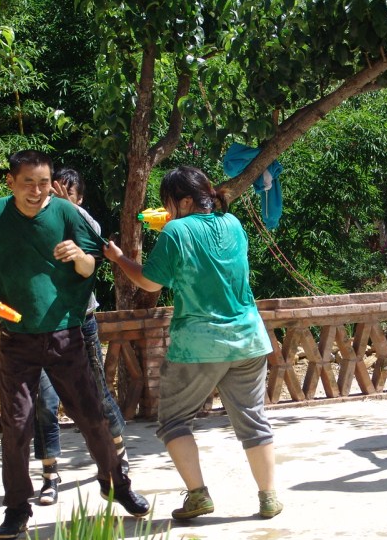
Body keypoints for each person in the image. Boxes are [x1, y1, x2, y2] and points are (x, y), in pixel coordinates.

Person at [0, 150, 150, 540]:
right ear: (11, 182)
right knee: (17, 425)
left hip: (67, 333)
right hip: (17, 337)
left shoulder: (67, 213)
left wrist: (79, 256)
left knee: (92, 417)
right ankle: (17, 509)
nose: (36, 191)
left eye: (43, 183)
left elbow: (90, 267)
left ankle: (117, 485)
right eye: (28, 183)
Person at [103, 165, 282, 520]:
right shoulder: (233, 223)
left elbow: (150, 282)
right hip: (248, 338)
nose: (167, 211)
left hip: (199, 345)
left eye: (169, 203)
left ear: (184, 201)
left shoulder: (175, 231)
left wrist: (119, 257)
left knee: (174, 421)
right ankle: (268, 498)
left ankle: (198, 496)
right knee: (253, 421)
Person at [33, 167, 129, 506]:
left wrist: (71, 209)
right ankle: (49, 475)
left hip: (81, 322)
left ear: (80, 199)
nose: (58, 201)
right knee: (44, 402)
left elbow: (97, 237)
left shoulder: (83, 223)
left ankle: (119, 457)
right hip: (38, 328)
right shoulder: (36, 223)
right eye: (54, 194)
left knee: (98, 394)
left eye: (67, 196)